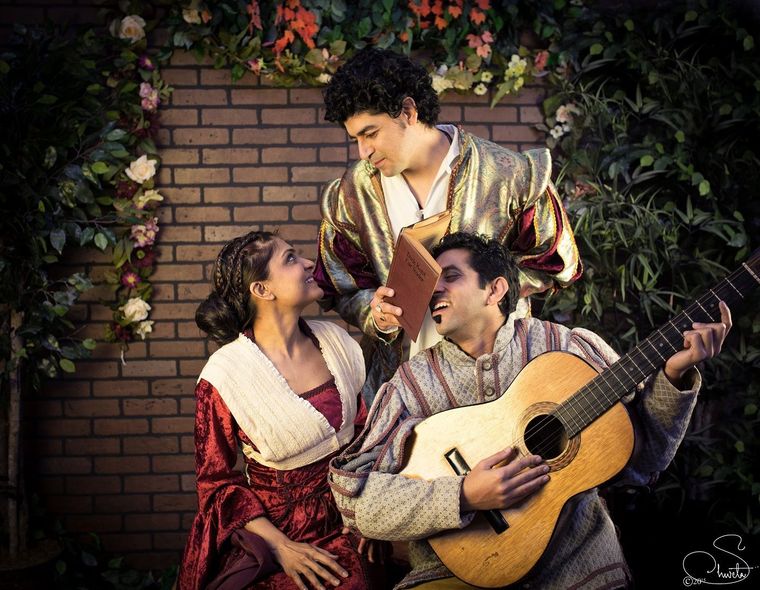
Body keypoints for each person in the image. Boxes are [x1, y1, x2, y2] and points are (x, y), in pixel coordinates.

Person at [328, 232, 732, 589]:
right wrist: (463, 495)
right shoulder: (410, 385)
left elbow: (645, 462)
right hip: (451, 574)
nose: (435, 290)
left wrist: (674, 376)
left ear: (496, 289)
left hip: (577, 569)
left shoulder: (568, 348)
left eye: (450, 277)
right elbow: (354, 500)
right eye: (432, 281)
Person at [315, 47, 582, 403]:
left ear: (408, 112)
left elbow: (557, 263)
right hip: (404, 388)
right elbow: (339, 285)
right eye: (355, 140)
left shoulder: (510, 174)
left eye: (371, 133)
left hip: (502, 379)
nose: (363, 151)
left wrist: (490, 291)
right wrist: (375, 313)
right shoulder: (351, 193)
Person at [177, 230, 385, 590]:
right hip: (281, 533)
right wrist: (283, 548)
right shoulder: (224, 375)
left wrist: (375, 513)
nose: (308, 263)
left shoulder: (337, 341)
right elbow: (216, 485)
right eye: (290, 258)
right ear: (262, 290)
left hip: (357, 514)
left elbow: (368, 436)